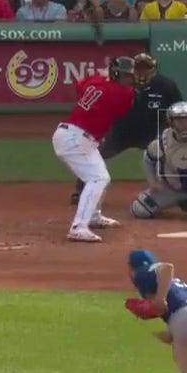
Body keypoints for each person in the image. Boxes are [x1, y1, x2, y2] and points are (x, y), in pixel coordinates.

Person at [68, 53, 180, 205]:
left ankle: (175, 192)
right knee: (96, 154)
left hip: (152, 132)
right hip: (121, 131)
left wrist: (170, 132)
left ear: (154, 69)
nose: (142, 72)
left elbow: (177, 109)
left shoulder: (166, 86)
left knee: (169, 157)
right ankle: (82, 191)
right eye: (138, 68)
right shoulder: (122, 83)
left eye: (146, 68)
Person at [53, 56, 138, 242]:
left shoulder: (96, 81)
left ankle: (93, 216)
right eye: (125, 76)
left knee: (100, 176)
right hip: (75, 138)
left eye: (130, 76)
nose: (129, 79)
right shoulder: (123, 93)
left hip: (75, 135)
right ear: (116, 74)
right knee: (98, 177)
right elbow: (123, 109)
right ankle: (78, 227)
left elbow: (80, 86)